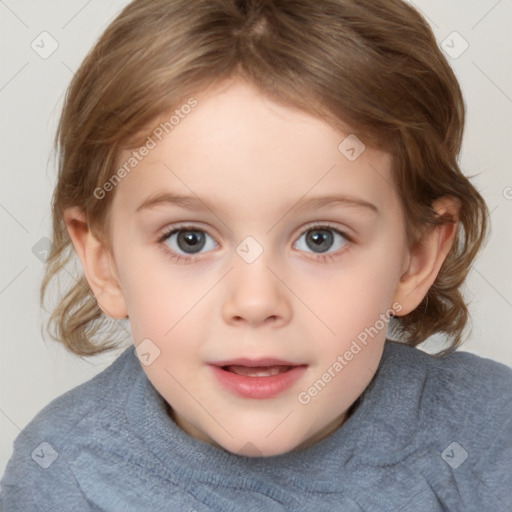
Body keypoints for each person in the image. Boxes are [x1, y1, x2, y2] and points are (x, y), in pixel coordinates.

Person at [1, 0, 511, 510]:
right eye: (189, 239)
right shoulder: (64, 476)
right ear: (104, 261)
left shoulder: (489, 438)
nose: (255, 301)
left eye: (320, 238)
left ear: (416, 258)